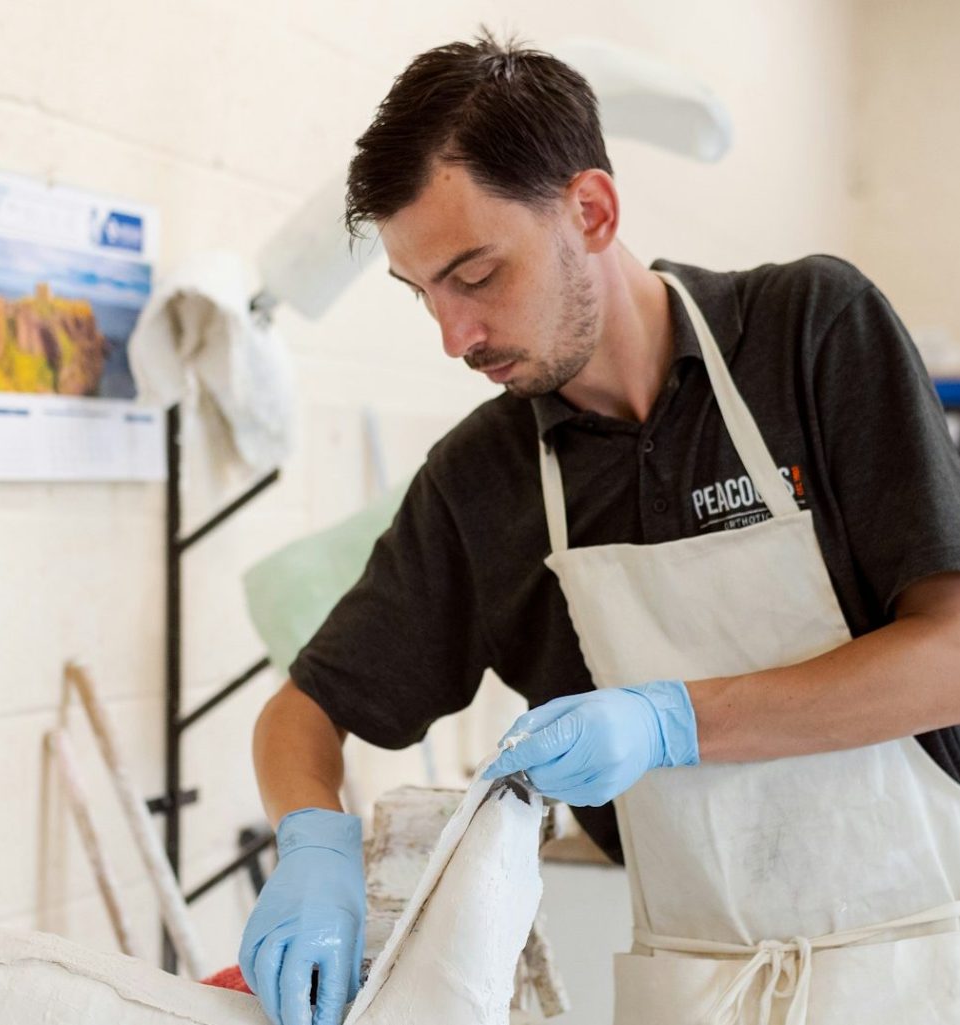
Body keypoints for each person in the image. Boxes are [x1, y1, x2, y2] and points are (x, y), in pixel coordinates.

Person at [239, 31, 960, 1025]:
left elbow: (947, 655)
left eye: (475, 275)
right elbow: (300, 713)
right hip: (697, 988)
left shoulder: (806, 332)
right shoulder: (482, 481)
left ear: (590, 210)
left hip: (927, 959)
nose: (453, 337)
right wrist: (313, 844)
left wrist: (668, 722)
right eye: (423, 295)